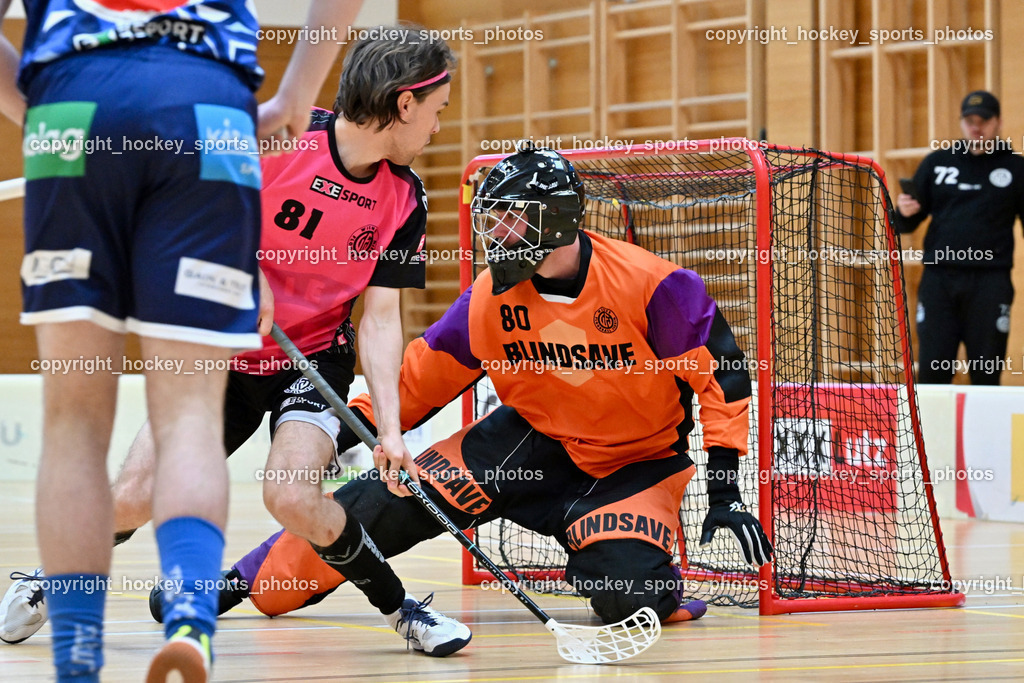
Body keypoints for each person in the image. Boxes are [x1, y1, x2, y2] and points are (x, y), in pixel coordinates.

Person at [0, 26, 472, 661]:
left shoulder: (405, 198)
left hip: (313, 358)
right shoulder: (279, 141)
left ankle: (403, 610)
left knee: (291, 494)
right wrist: (241, 268)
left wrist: (390, 428)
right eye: (438, 109)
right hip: (217, 346)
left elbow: (381, 317)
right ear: (404, 103)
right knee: (136, 495)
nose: (439, 126)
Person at [160, 147, 773, 626]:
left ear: (555, 221)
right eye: (494, 220)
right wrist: (354, 429)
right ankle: (239, 582)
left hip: (634, 465)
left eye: (512, 220)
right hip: (524, 444)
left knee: (627, 600)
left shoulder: (655, 287)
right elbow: (420, 378)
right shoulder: (487, 299)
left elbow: (724, 378)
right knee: (380, 502)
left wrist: (724, 490)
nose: (496, 234)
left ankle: (646, 581)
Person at [896, 90, 1024, 384]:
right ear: (962, 123)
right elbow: (906, 222)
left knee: (986, 372)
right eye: (969, 120)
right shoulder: (937, 162)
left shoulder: (1017, 168)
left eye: (984, 120)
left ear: (998, 122)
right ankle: (930, 432)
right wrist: (903, 210)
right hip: (940, 281)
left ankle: (985, 431)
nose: (976, 126)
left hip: (990, 284)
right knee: (932, 371)